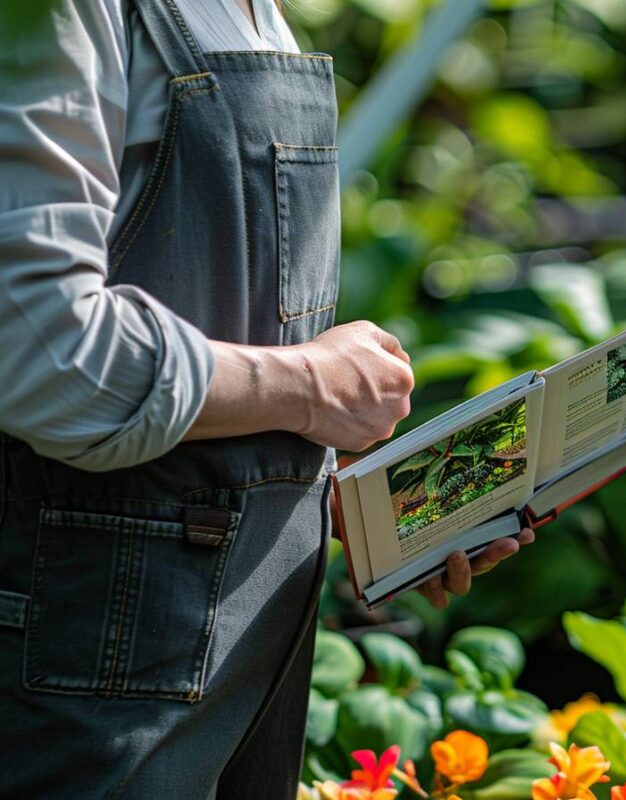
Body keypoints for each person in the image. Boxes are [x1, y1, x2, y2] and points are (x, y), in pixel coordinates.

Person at [0, 0, 533, 796]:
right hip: (94, 667)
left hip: (235, 665)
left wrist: (330, 497)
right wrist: (313, 386)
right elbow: (38, 347)